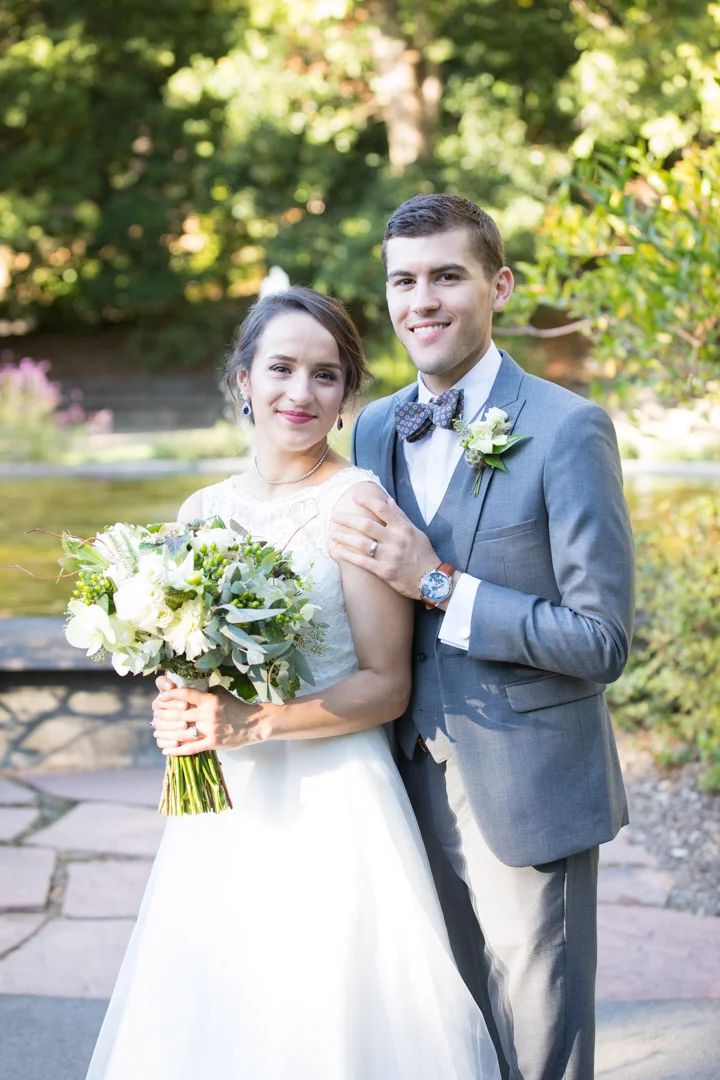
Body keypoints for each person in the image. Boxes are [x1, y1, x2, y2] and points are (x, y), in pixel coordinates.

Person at [85, 287, 500, 1079]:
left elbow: (386, 686)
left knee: (323, 1023)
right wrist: (182, 705)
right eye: (280, 368)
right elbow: (190, 656)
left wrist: (251, 722)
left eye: (325, 375)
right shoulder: (201, 509)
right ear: (243, 378)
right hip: (224, 808)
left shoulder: (357, 503)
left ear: (346, 395)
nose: (300, 393)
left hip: (333, 802)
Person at [330, 194, 635, 1080]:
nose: (421, 301)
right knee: (448, 1031)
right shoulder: (376, 428)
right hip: (397, 777)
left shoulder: (569, 428)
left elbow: (602, 639)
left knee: (541, 1047)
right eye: (403, 281)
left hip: (527, 784)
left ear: (498, 287)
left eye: (446, 277)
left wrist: (439, 584)